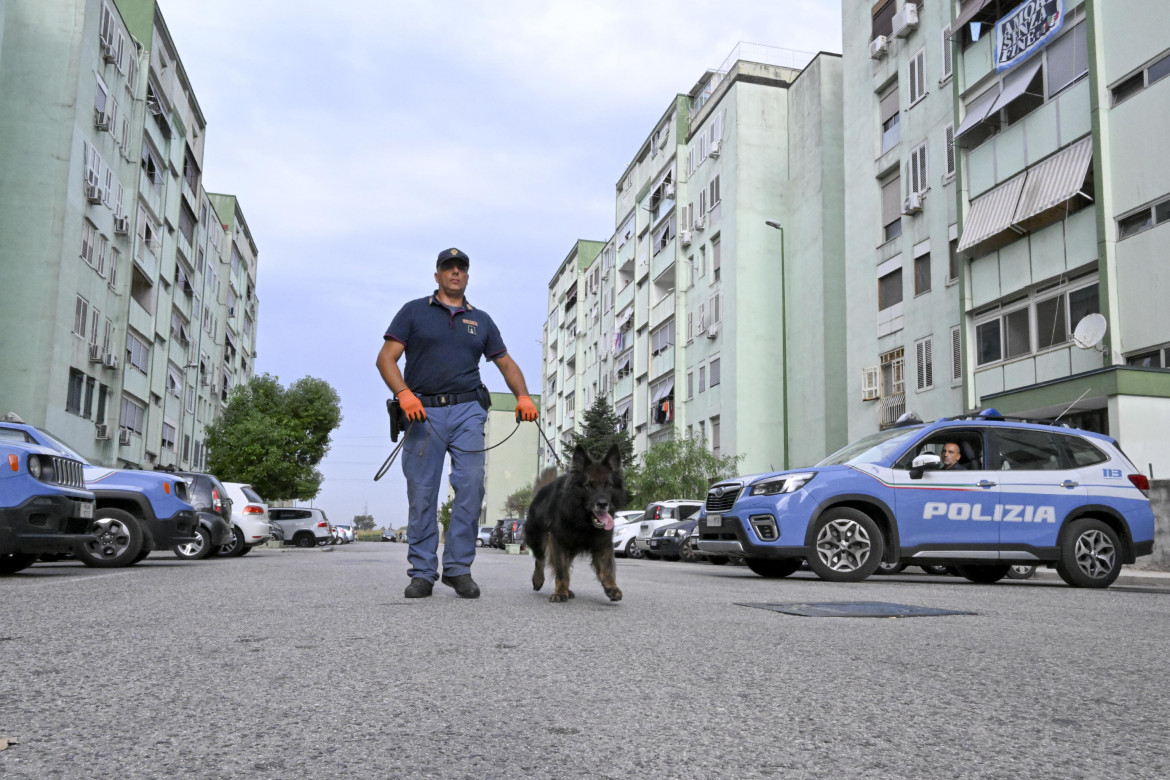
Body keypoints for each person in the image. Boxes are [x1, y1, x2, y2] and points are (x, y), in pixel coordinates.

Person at [376, 247, 538, 599]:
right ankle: (422, 572)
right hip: (423, 411)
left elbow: (505, 363)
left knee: (470, 485)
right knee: (422, 493)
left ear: (467, 276)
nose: (454, 272)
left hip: (467, 411)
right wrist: (404, 393)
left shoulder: (480, 320)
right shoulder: (413, 312)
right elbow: (386, 359)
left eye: (461, 268)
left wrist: (523, 395)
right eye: (447, 268)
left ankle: (458, 568)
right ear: (436, 275)